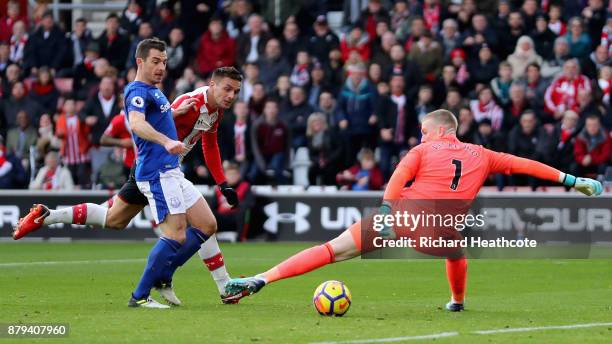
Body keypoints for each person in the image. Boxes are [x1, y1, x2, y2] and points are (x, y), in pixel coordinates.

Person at [223, 109, 603, 311]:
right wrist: (572, 180)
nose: (421, 136)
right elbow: (525, 164)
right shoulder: (484, 155)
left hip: (403, 216)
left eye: (424, 131)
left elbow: (397, 176)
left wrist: (387, 213)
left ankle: (261, 278)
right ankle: (457, 302)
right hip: (439, 228)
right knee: (457, 253)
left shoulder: (423, 150)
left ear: (438, 130)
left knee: (330, 250)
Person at [13, 40, 241, 308]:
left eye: (164, 62)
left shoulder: (168, 97)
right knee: (179, 233)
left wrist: (222, 183)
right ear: (140, 62)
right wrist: (167, 140)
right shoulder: (167, 97)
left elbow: (203, 140)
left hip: (166, 170)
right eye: (155, 61)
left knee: (116, 219)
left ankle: (49, 216)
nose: (161, 67)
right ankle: (147, 291)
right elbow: (136, 123)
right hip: (158, 171)